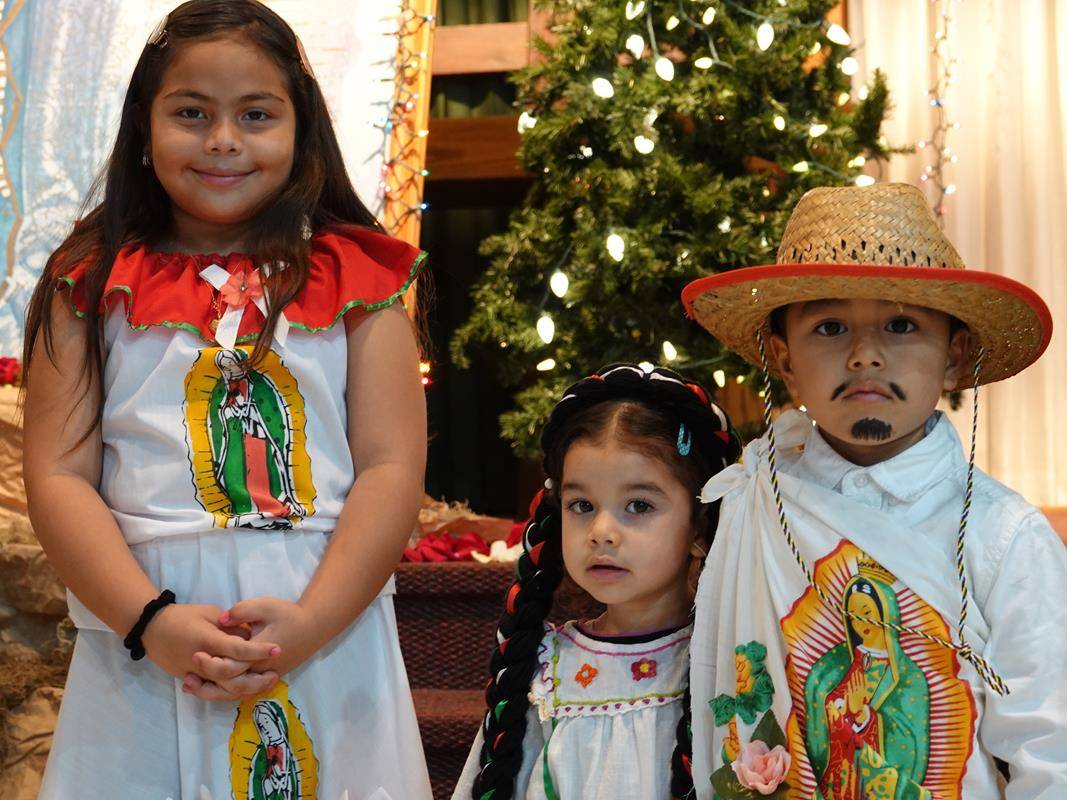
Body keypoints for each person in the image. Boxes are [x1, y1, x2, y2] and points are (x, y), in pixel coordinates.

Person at [21, 2, 432, 797]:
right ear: (143, 125)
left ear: (301, 125)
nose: (222, 140)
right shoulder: (89, 278)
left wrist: (310, 624)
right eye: (190, 113)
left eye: (255, 114)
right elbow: (59, 476)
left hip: (323, 628)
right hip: (144, 646)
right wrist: (150, 622)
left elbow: (389, 468)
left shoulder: (362, 278)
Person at [681, 183, 1066, 799]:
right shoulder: (748, 506)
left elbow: (1052, 755)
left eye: (901, 324)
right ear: (782, 358)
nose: (864, 355)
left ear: (954, 353)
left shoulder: (1005, 539)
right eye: (831, 326)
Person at [452, 363, 742, 800]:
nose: (602, 530)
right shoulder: (544, 668)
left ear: (699, 527)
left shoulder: (725, 666)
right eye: (582, 504)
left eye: (639, 506)